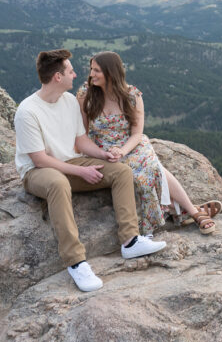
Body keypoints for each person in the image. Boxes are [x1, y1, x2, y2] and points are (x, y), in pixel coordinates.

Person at [14, 49, 166, 293]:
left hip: (71, 162)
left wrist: (103, 155)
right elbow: (40, 159)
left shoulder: (68, 102)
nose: (76, 74)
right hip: (38, 172)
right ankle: (76, 262)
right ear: (57, 77)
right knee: (58, 184)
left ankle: (130, 240)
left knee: (120, 171)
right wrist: (80, 173)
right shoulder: (27, 111)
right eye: (70, 71)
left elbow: (81, 141)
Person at [77, 51, 222, 235]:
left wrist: (122, 151)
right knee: (136, 177)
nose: (91, 74)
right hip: (100, 149)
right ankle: (191, 210)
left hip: (130, 144)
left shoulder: (132, 95)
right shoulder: (85, 94)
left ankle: (192, 212)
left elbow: (137, 134)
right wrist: (100, 152)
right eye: (91, 70)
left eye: (96, 70)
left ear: (110, 72)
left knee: (152, 168)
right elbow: (82, 133)